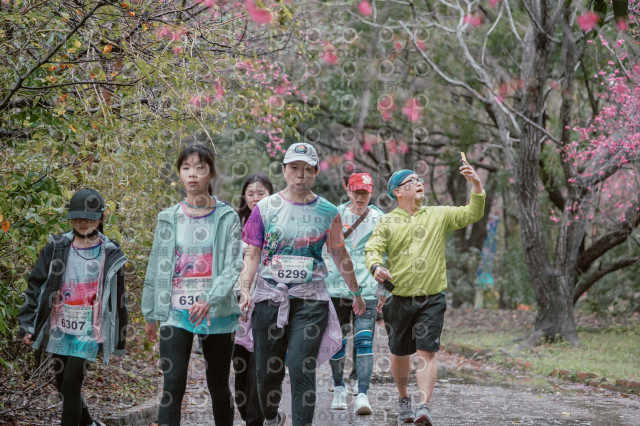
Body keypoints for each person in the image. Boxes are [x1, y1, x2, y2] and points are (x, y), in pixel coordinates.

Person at [238, 142, 366, 426]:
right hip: (269, 298)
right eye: (294, 168)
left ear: (316, 172)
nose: (300, 175)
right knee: (267, 374)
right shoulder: (265, 208)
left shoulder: (328, 211)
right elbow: (253, 253)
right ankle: (272, 417)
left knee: (300, 366)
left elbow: (339, 253)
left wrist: (356, 291)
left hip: (311, 300)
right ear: (284, 170)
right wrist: (245, 290)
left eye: (307, 169)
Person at [365, 161, 485, 425]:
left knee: (426, 351)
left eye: (419, 180)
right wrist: (376, 266)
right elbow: (373, 248)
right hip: (398, 298)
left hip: (431, 298)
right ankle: (404, 398)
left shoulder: (438, 215)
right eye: (411, 181)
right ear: (397, 192)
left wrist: (476, 185)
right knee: (399, 353)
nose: (419, 183)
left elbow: (472, 213)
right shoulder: (388, 221)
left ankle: (424, 407)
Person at [142, 144, 242, 426]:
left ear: (211, 174)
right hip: (176, 311)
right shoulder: (168, 217)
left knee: (218, 384)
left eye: (200, 168)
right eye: (186, 168)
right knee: (172, 384)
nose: (193, 174)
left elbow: (233, 265)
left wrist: (209, 298)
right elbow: (157, 265)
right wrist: (150, 312)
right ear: (180, 173)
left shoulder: (227, 217)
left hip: (217, 312)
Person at [18, 188, 128, 426]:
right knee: (63, 385)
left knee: (71, 382)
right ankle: (88, 422)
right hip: (61, 325)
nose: (83, 223)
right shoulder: (57, 246)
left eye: (89, 218)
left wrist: (119, 337)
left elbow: (119, 298)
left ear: (101, 217)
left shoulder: (110, 252)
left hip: (90, 330)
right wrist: (28, 324)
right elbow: (36, 284)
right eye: (77, 218)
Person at [324, 172, 385, 415]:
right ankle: (339, 386)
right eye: (356, 192)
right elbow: (326, 248)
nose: (360, 197)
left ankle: (362, 393)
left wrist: (384, 290)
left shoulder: (380, 218)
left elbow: (386, 254)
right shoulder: (335, 215)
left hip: (368, 287)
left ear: (371, 193)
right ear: (348, 191)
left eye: (365, 193)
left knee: (364, 339)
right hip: (337, 286)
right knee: (338, 338)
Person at [233, 172, 274, 426]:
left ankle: (256, 419)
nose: (255, 198)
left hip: (267, 299)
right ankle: (253, 413)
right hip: (238, 302)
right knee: (240, 367)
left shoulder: (278, 223)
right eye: (251, 193)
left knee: (259, 366)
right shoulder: (234, 224)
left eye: (261, 193)